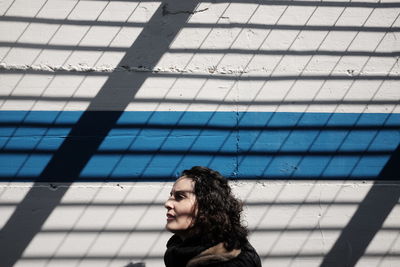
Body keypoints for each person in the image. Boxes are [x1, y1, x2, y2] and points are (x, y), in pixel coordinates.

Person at [164, 166, 262, 267]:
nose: (167, 203)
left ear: (206, 205)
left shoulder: (231, 261)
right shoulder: (179, 250)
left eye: (180, 197)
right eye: (171, 195)